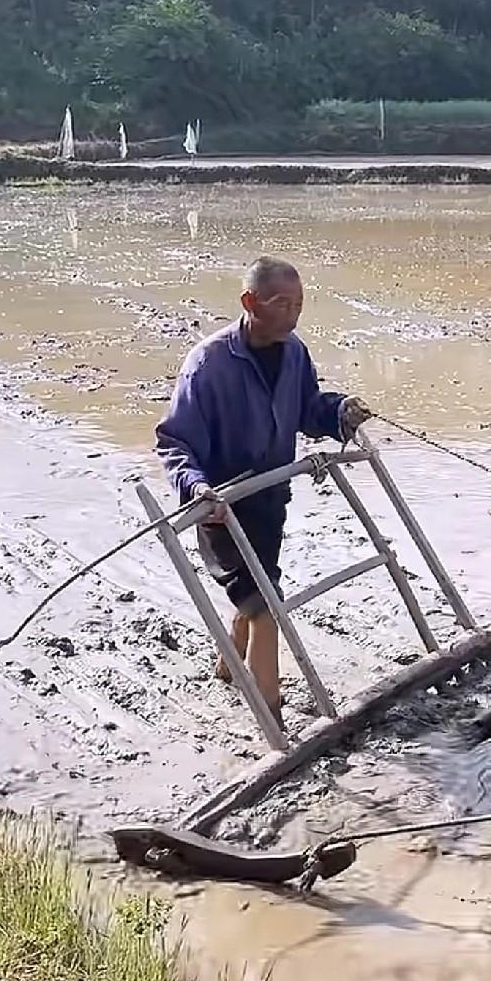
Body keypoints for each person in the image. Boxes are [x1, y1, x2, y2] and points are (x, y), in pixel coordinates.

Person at [155, 255, 371, 728]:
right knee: (266, 605)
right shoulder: (208, 364)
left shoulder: (294, 354)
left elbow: (307, 409)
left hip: (271, 502)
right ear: (250, 302)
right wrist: (197, 488)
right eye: (281, 304)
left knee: (254, 596)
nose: (293, 314)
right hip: (221, 509)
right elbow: (175, 441)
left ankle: (227, 665)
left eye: (299, 304)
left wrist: (339, 413)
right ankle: (271, 720)